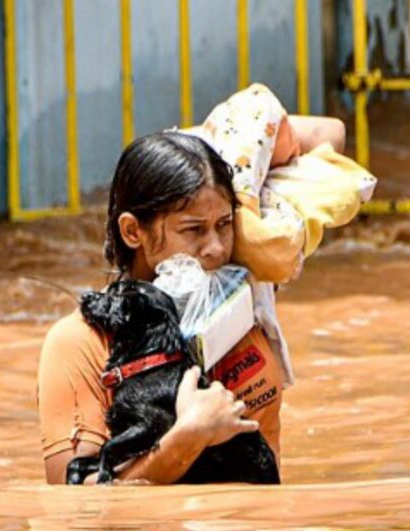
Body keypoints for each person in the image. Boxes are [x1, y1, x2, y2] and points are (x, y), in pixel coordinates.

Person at [39, 90, 348, 485]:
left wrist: (212, 148)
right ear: (133, 231)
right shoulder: (82, 343)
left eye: (224, 224)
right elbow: (76, 507)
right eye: (193, 230)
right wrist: (191, 435)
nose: (216, 248)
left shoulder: (240, 291)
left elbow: (331, 133)